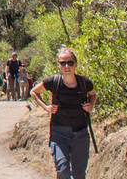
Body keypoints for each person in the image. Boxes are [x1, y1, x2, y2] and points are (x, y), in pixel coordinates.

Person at [31, 47, 98, 179]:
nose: (66, 66)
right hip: (59, 133)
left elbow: (93, 94)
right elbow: (34, 92)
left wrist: (91, 105)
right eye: (63, 63)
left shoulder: (85, 83)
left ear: (75, 64)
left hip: (80, 133)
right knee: (63, 171)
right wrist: (46, 107)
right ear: (59, 65)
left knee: (79, 175)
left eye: (70, 63)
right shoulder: (53, 82)